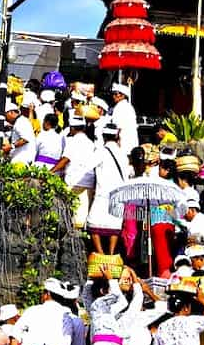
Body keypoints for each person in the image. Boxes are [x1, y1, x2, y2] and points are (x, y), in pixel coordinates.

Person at [88, 122, 130, 255]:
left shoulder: (101, 151)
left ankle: (100, 254)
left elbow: (88, 165)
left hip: (103, 194)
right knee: (114, 226)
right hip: (119, 195)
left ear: (103, 136)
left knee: (93, 225)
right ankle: (111, 255)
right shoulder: (123, 154)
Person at [52, 116, 97, 231]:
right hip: (88, 182)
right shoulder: (90, 143)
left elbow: (65, 159)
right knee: (82, 216)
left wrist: (50, 172)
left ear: (72, 128)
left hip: (74, 182)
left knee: (72, 216)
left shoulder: (73, 141)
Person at [110, 83, 140, 157]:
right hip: (132, 144)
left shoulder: (119, 107)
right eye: (113, 94)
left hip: (123, 144)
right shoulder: (129, 107)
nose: (113, 96)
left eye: (115, 94)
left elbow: (117, 128)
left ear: (122, 95)